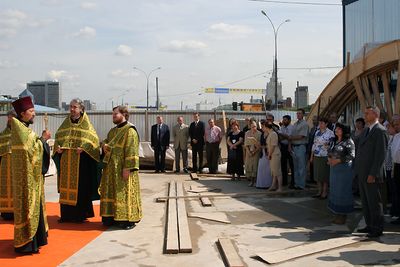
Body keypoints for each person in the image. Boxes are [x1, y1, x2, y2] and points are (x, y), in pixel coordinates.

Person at [11, 96, 51, 253]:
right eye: (31, 111)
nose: (34, 114)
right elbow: (34, 150)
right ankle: (27, 243)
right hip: (26, 179)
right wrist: (43, 139)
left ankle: (34, 240)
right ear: (22, 113)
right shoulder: (20, 128)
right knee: (29, 207)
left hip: (30, 176)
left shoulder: (22, 127)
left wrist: (41, 140)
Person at [54, 98, 100, 223]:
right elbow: (58, 137)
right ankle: (66, 215)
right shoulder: (65, 123)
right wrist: (57, 149)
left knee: (81, 189)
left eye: (75, 107)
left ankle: (80, 214)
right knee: (66, 188)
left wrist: (84, 149)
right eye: (71, 107)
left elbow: (94, 142)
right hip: (66, 162)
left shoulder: (86, 125)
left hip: (81, 163)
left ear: (81, 109)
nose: (72, 109)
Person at [100, 106, 142, 229]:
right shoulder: (112, 131)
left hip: (123, 168)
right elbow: (105, 142)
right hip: (111, 169)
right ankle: (111, 217)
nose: (113, 116)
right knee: (112, 193)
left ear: (124, 114)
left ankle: (127, 220)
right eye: (113, 114)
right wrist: (103, 146)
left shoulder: (130, 131)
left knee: (124, 193)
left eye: (115, 114)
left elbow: (132, 151)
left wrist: (127, 168)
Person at [354, 106, 388, 238]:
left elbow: (380, 155)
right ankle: (369, 225)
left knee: (374, 202)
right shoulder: (367, 130)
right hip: (363, 172)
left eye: (367, 113)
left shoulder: (380, 131)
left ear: (375, 114)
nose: (365, 115)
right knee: (366, 201)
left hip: (371, 174)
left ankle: (377, 228)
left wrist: (373, 173)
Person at [327, 123, 355, 224]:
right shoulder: (334, 141)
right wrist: (329, 159)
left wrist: (338, 161)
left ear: (344, 131)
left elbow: (351, 156)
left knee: (343, 190)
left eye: (339, 129)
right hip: (334, 169)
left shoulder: (348, 141)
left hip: (344, 170)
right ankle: (336, 214)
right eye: (336, 128)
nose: (336, 130)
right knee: (335, 190)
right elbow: (329, 151)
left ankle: (343, 216)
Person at [310, 117, 335, 199]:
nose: (320, 125)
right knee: (317, 176)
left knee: (324, 176)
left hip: (325, 156)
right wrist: (311, 156)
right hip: (317, 156)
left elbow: (332, 145)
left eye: (322, 123)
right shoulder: (317, 132)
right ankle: (319, 191)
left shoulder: (330, 133)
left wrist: (329, 154)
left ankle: (324, 193)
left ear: (326, 124)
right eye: (319, 123)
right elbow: (314, 145)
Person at [0, 110, 16, 220]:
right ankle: (6, 213)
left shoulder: (22, 133)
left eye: (12, 118)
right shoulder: (3, 135)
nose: (9, 120)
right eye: (8, 118)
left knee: (16, 189)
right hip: (5, 167)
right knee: (5, 189)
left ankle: (17, 212)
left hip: (17, 167)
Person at [289, 108, 309, 190]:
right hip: (294, 146)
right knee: (296, 167)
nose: (298, 115)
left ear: (303, 114)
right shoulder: (295, 124)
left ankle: (301, 185)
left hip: (301, 146)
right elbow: (290, 137)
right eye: (297, 113)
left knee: (301, 167)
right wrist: (289, 145)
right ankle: (297, 184)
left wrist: (291, 138)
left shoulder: (305, 124)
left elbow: (301, 136)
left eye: (300, 113)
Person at [265, 122, 283, 192]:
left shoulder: (273, 134)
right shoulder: (270, 134)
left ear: (266, 127)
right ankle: (273, 185)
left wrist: (269, 154)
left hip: (275, 154)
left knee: (277, 171)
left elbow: (273, 145)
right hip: (272, 154)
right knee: (274, 171)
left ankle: (280, 187)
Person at [278, 115, 294, 187]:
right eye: (283, 120)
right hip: (283, 147)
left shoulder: (292, 127)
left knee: (291, 165)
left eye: (285, 120)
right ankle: (284, 181)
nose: (284, 121)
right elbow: (281, 138)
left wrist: (282, 134)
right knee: (283, 165)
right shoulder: (282, 127)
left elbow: (289, 137)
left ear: (289, 120)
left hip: (290, 147)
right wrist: (284, 136)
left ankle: (293, 182)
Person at [244, 121, 261, 186]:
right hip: (249, 151)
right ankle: (251, 180)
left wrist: (254, 151)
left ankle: (255, 181)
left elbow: (259, 145)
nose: (254, 128)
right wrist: (249, 152)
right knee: (249, 165)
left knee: (255, 166)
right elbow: (246, 144)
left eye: (255, 126)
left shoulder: (259, 133)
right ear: (250, 127)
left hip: (256, 151)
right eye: (252, 126)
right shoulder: (247, 133)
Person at [256, 121, 272, 188]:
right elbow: (261, 143)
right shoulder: (262, 134)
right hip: (262, 152)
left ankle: (268, 184)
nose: (262, 128)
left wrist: (264, 147)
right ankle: (261, 184)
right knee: (261, 168)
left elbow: (271, 145)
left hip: (268, 152)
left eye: (263, 127)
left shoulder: (270, 134)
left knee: (268, 169)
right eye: (262, 127)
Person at [390, 115, 400, 224]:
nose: (396, 127)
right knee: (397, 191)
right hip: (397, 166)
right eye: (395, 125)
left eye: (397, 124)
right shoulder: (396, 137)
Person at [307, 115, 319, 184]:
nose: (314, 121)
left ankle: (315, 179)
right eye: (313, 120)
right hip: (310, 149)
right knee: (311, 165)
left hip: (316, 150)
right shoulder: (312, 129)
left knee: (315, 165)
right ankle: (312, 178)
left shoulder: (319, 129)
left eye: (315, 120)